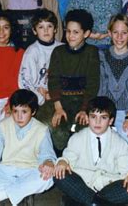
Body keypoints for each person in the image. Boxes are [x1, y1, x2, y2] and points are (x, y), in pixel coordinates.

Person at [0, 89, 56, 206]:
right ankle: (20, 193)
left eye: (24, 111)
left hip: (29, 171)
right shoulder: (3, 125)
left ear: (33, 111)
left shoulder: (42, 129)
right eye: (15, 111)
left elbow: (47, 154)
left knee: (50, 177)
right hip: (5, 170)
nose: (19, 116)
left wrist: (48, 162)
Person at [54, 97, 128, 206]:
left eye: (103, 118)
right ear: (88, 118)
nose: (97, 122)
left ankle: (86, 201)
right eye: (93, 117)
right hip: (83, 183)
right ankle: (97, 203)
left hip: (107, 185)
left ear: (111, 121)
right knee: (59, 174)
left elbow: (127, 168)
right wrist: (62, 162)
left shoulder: (120, 143)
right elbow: (67, 159)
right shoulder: (77, 138)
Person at [38, 9, 100, 151]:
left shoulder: (92, 52)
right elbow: (53, 81)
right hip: (60, 100)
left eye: (76, 32)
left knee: (85, 129)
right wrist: (58, 107)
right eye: (68, 31)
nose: (70, 36)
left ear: (86, 33)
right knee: (45, 124)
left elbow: (93, 84)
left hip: (83, 101)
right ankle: (54, 160)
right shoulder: (58, 52)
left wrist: (85, 109)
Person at [98, 14, 128, 150]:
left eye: (124, 33)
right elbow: (101, 86)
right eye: (115, 32)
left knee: (126, 143)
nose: (119, 37)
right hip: (104, 110)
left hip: (125, 112)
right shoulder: (102, 55)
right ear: (109, 33)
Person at [18, 9, 63, 105]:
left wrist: (55, 93)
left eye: (49, 26)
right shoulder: (32, 52)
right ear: (34, 31)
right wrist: (39, 96)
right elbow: (24, 81)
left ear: (55, 29)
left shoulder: (62, 48)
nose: (46, 30)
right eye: (41, 27)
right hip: (40, 95)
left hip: (60, 93)